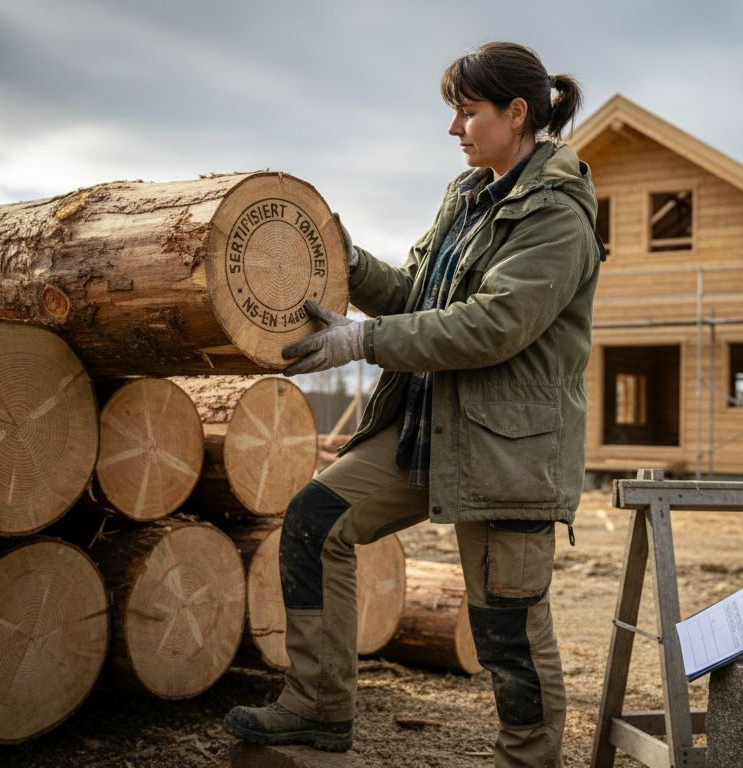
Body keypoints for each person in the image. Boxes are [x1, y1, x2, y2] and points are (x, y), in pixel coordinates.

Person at [225, 41, 603, 767]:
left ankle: (529, 761)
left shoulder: (558, 214)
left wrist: (361, 341)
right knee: (314, 522)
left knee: (507, 630)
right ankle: (317, 707)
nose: (454, 129)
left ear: (515, 113)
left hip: (507, 453)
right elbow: (417, 299)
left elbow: (493, 325)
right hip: (427, 430)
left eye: (468, 113)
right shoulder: (466, 197)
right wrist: (347, 261)